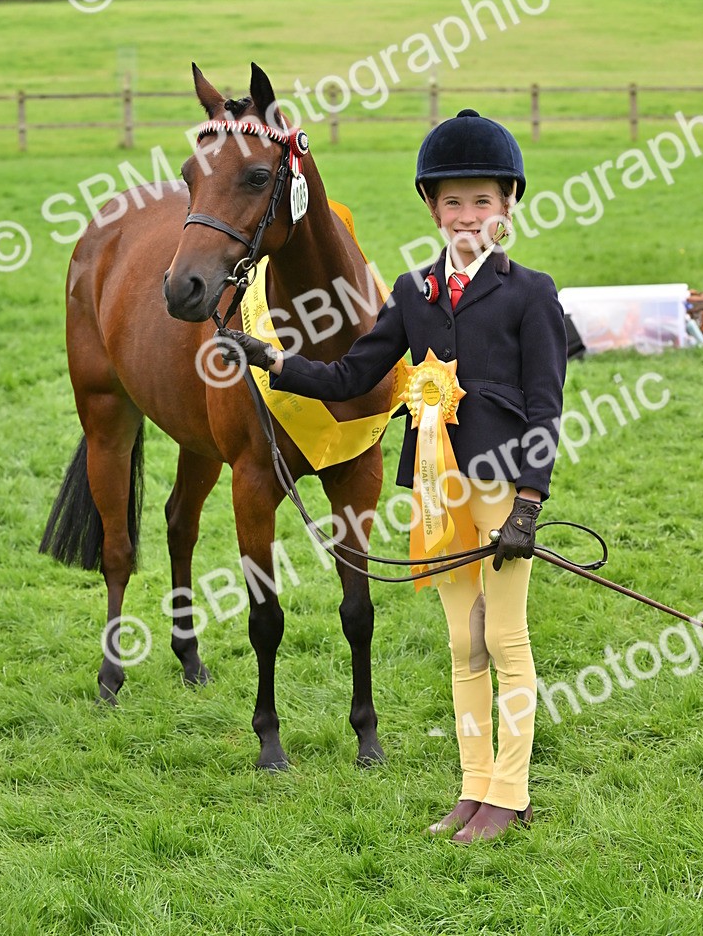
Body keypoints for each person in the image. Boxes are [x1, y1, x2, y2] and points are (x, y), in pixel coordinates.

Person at [222, 109, 568, 843]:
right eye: (452, 201)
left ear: (508, 206)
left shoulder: (531, 293)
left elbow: (545, 407)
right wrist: (272, 360)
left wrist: (529, 504)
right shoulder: (412, 293)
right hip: (438, 493)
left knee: (505, 639)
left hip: (505, 492)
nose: (466, 215)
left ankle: (510, 792)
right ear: (432, 208)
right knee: (462, 645)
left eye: (481, 201)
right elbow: (353, 374)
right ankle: (475, 788)